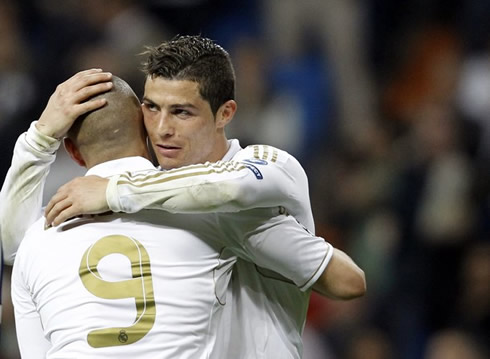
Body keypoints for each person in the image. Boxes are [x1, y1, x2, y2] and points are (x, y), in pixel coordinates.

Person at [2, 36, 365, 358]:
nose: (162, 129)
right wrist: (40, 137)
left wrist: (114, 190)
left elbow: (230, 189)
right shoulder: (159, 198)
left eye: (181, 112)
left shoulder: (263, 168)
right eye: (152, 108)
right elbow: (19, 247)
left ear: (226, 113)